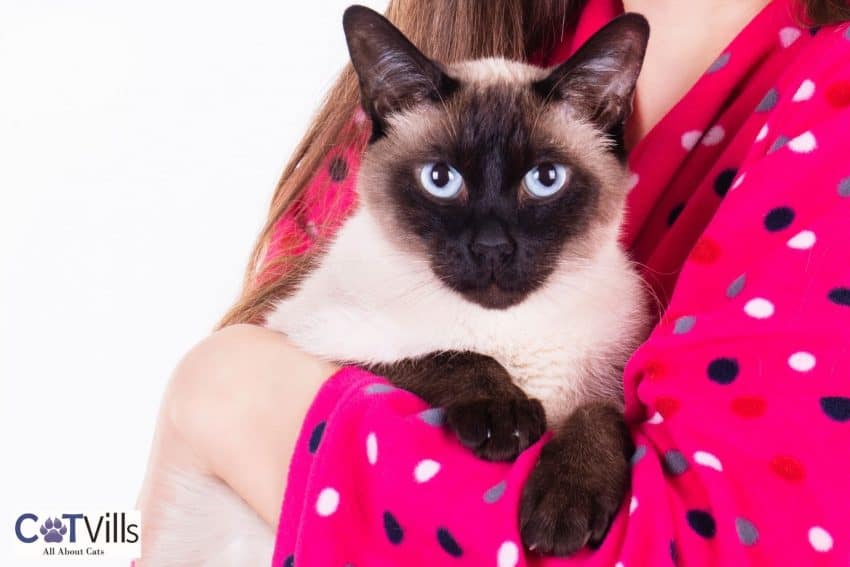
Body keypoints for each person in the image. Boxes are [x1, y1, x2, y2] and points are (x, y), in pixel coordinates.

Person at [137, 0, 850, 564]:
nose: (489, 241)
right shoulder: (475, 23)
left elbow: (708, 547)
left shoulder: (827, 94)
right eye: (444, 182)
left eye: (544, 181)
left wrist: (224, 392)